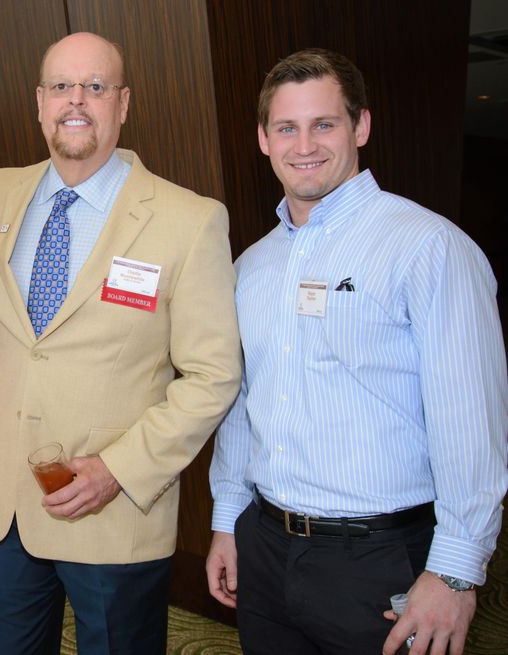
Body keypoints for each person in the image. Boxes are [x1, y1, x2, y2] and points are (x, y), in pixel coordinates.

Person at [206, 48, 508, 655]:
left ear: (361, 126)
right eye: (287, 128)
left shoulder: (428, 248)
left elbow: (471, 421)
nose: (304, 145)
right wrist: (226, 520)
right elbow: (244, 404)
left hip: (381, 561)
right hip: (264, 546)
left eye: (325, 124)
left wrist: (454, 571)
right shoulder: (253, 266)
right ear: (264, 139)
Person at [0, 32, 242, 654]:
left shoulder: (189, 219)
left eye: (95, 87)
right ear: (40, 102)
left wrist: (119, 471)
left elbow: (214, 376)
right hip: (7, 513)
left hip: (115, 516)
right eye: (63, 87)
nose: (77, 101)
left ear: (123, 104)